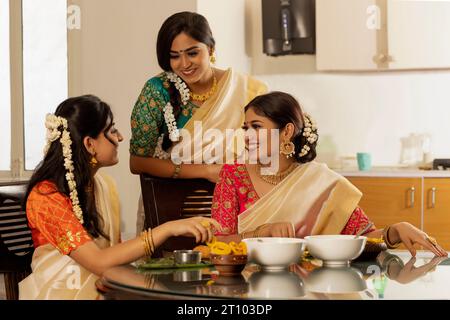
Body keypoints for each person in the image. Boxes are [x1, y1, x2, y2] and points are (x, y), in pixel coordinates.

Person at [19, 95, 220, 300]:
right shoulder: (45, 197)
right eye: (112, 131)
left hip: (104, 285)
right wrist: (168, 229)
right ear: (90, 144)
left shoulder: (103, 185)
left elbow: (115, 254)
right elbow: (98, 261)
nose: (120, 137)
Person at [211, 91, 447, 258]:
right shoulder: (233, 175)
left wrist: (394, 231)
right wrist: (259, 233)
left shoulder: (319, 182)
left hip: (310, 285)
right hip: (246, 285)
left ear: (287, 132)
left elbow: (361, 237)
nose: (247, 135)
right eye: (245, 128)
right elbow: (217, 243)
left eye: (257, 126)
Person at [129, 12, 267, 233]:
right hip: (172, 212)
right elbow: (137, 162)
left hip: (239, 209)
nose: (184, 64)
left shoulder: (246, 90)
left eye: (192, 53)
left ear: (210, 49)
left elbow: (266, 155)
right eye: (174, 56)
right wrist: (205, 171)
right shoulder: (157, 92)